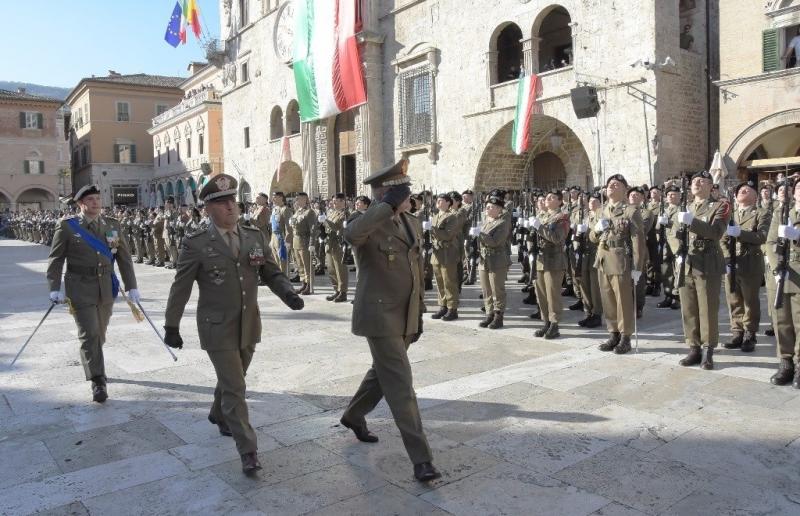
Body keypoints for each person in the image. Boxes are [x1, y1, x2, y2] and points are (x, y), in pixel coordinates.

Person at [163, 174, 304, 475]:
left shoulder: (253, 236)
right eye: (222, 203)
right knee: (236, 386)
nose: (231, 207)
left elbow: (271, 272)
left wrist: (288, 294)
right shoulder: (197, 243)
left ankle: (218, 413)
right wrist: (171, 326)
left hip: (248, 323)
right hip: (217, 326)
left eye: (233, 201)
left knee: (232, 379)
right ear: (208, 208)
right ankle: (248, 450)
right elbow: (181, 287)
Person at [340, 159, 441, 483]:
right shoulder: (366, 222)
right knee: (400, 384)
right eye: (401, 192)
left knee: (382, 373)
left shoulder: (411, 221)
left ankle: (354, 415)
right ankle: (421, 459)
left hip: (406, 314)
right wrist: (384, 207)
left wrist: (419, 313)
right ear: (386, 194)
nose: (408, 196)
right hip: (380, 315)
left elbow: (414, 269)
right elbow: (351, 235)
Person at [46, 184, 139, 403]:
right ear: (80, 204)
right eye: (90, 200)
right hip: (79, 287)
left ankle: (94, 361)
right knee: (89, 333)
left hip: (106, 287)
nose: (96, 203)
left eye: (98, 198)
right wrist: (54, 288)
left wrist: (132, 285)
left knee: (100, 333)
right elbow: (56, 258)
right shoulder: (68, 227)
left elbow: (123, 258)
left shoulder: (111, 225)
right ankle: (98, 380)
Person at [676, 171, 731, 370]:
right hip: (687, 261)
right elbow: (673, 234)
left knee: (707, 308)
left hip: (708, 261)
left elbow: (716, 232)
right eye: (694, 181)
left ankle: (708, 349)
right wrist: (677, 251)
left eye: (702, 181)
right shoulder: (685, 207)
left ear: (711, 186)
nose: (697, 183)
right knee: (689, 307)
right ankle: (694, 347)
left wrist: (691, 221)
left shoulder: (720, 206)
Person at [591, 174, 646, 355]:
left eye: (616, 185)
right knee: (608, 300)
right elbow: (592, 237)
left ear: (624, 189)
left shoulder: (631, 211)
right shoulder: (602, 211)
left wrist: (637, 268)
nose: (611, 187)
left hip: (621, 260)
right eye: (609, 185)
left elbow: (638, 242)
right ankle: (613, 333)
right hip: (603, 258)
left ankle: (625, 336)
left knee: (623, 301)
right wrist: (598, 229)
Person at [722, 181, 770, 353]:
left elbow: (762, 236)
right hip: (732, 262)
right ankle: (737, 332)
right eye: (740, 190)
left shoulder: (762, 213)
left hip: (750, 262)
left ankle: (750, 333)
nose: (742, 190)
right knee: (733, 299)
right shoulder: (730, 214)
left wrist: (740, 233)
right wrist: (727, 257)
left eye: (748, 189)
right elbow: (722, 238)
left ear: (755, 196)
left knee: (750, 300)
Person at [766, 178, 800, 386]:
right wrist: (775, 266)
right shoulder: (781, 212)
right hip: (782, 273)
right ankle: (785, 361)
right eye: (798, 188)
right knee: (782, 319)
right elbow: (770, 242)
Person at [530, 190, 570, 339]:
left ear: (560, 201)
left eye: (552, 197)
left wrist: (539, 227)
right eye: (547, 197)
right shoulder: (543, 216)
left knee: (553, 294)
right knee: (541, 293)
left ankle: (555, 324)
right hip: (541, 259)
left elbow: (557, 238)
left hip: (554, 260)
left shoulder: (563, 217)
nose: (548, 199)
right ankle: (546, 321)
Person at [478, 195, 512, 329]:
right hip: (484, 260)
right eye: (487, 206)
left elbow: (495, 242)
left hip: (497, 260)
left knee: (497, 289)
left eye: (491, 207)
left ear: (499, 209)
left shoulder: (502, 223)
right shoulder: (485, 221)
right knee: (486, 290)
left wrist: (480, 235)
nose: (488, 208)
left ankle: (499, 316)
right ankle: (489, 314)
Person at [427, 193, 461, 321]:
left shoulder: (452, 217)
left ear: (448, 203)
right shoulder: (435, 216)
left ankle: (452, 308)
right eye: (438, 200)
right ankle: (443, 306)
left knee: (449, 282)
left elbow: (447, 235)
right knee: (440, 282)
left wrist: (433, 229)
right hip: (437, 254)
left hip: (448, 253)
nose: (438, 202)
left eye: (441, 200)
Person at [576, 192, 603, 328]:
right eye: (590, 201)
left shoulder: (601, 217)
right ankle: (588, 312)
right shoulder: (585, 217)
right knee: (584, 284)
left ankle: (597, 314)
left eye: (595, 201)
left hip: (595, 254)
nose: (592, 203)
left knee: (595, 286)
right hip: (584, 254)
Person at [289, 192, 318, 295]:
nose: (298, 201)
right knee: (300, 265)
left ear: (306, 200)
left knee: (307, 265)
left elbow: (313, 229)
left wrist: (312, 243)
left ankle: (309, 285)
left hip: (305, 241)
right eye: (297, 199)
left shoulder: (309, 212)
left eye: (301, 199)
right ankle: (304, 284)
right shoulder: (297, 212)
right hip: (296, 241)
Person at [323, 193, 349, 302]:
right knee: (331, 268)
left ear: (342, 202)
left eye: (336, 201)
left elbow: (336, 227)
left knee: (340, 269)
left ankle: (343, 292)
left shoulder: (345, 214)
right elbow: (327, 228)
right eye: (333, 201)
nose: (333, 203)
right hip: (329, 243)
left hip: (338, 244)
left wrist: (325, 221)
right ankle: (336, 290)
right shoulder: (332, 212)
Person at [269, 192, 293, 276]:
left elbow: (288, 227)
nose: (273, 199)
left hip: (281, 237)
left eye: (275, 197)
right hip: (274, 237)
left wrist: (288, 240)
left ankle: (284, 282)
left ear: (280, 197)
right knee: (275, 261)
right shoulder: (274, 209)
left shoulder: (285, 209)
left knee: (282, 261)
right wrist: (271, 239)